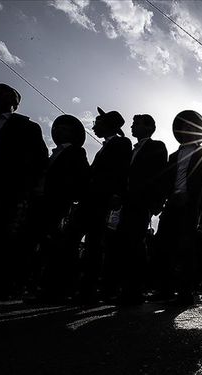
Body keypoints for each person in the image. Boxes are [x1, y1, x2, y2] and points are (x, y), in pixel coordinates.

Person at [0, 83, 48, 304]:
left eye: (2, 92)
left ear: (14, 103)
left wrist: (24, 189)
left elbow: (40, 161)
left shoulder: (25, 127)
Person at [154, 110, 202, 306]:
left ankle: (186, 291)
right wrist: (165, 199)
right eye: (184, 127)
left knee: (187, 248)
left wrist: (200, 199)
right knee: (163, 245)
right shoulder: (172, 156)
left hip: (190, 204)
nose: (187, 130)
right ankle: (164, 289)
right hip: (171, 203)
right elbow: (164, 181)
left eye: (191, 127)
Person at [78, 107, 131, 304]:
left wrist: (117, 194)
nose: (94, 126)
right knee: (85, 241)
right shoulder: (104, 146)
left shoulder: (121, 143)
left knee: (95, 243)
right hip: (91, 198)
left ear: (108, 125)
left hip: (103, 199)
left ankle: (89, 289)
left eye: (98, 123)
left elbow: (123, 169)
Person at [35, 114, 90, 302]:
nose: (58, 130)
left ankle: (58, 287)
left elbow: (80, 179)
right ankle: (42, 285)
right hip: (42, 201)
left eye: (64, 128)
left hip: (58, 204)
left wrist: (69, 199)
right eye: (57, 127)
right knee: (44, 244)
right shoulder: (53, 153)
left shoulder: (76, 152)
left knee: (56, 244)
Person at [116, 114, 167, 305]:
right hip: (127, 201)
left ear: (148, 127)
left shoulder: (157, 146)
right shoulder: (131, 149)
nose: (131, 127)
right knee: (125, 242)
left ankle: (135, 290)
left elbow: (160, 175)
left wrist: (157, 201)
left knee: (136, 242)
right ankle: (125, 287)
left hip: (142, 201)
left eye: (135, 124)